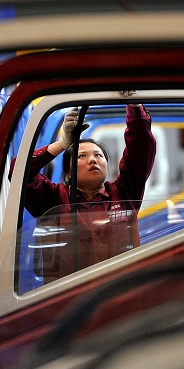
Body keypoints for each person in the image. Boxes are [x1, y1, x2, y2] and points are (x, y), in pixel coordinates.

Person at [20, 102, 156, 281]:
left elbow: (141, 146)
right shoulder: (54, 198)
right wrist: (63, 143)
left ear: (106, 165)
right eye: (81, 156)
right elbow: (19, 171)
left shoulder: (124, 192)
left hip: (119, 295)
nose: (92, 160)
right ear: (68, 171)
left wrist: (134, 105)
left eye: (98, 155)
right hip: (67, 300)